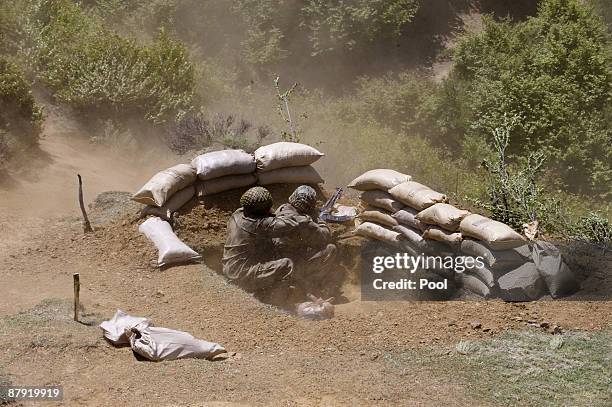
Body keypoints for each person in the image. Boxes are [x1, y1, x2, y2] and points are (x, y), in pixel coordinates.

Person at [222, 186, 302, 293]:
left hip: (229, 269)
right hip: (241, 274)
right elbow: (292, 225)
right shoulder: (259, 224)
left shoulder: (237, 214)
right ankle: (274, 298)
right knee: (286, 265)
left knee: (271, 246)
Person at [274, 185, 337, 291]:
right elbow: (324, 237)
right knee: (331, 249)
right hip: (292, 266)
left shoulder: (282, 209)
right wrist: (320, 219)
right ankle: (310, 285)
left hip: (276, 261)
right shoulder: (303, 222)